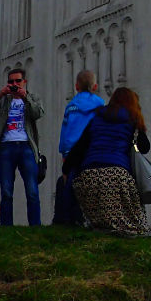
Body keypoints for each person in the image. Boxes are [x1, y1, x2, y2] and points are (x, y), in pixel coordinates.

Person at [64, 86, 151, 237]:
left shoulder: (96, 119)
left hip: (89, 178)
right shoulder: (132, 120)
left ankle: (103, 225)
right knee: (138, 224)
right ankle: (125, 228)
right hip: (117, 176)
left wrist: (67, 171)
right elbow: (145, 147)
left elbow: (78, 150)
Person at [0, 67, 45, 226]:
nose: (14, 84)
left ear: (24, 82)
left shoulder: (32, 97)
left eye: (18, 81)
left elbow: (38, 113)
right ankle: (7, 226)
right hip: (6, 147)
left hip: (26, 146)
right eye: (11, 82)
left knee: (32, 189)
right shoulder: (5, 100)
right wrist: (1, 94)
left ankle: (35, 225)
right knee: (6, 190)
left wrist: (26, 98)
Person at [54, 70, 105, 226]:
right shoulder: (100, 104)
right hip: (91, 150)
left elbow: (65, 131)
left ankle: (69, 218)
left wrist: (64, 152)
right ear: (95, 86)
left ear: (76, 86)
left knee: (70, 184)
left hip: (72, 151)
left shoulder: (71, 106)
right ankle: (91, 219)